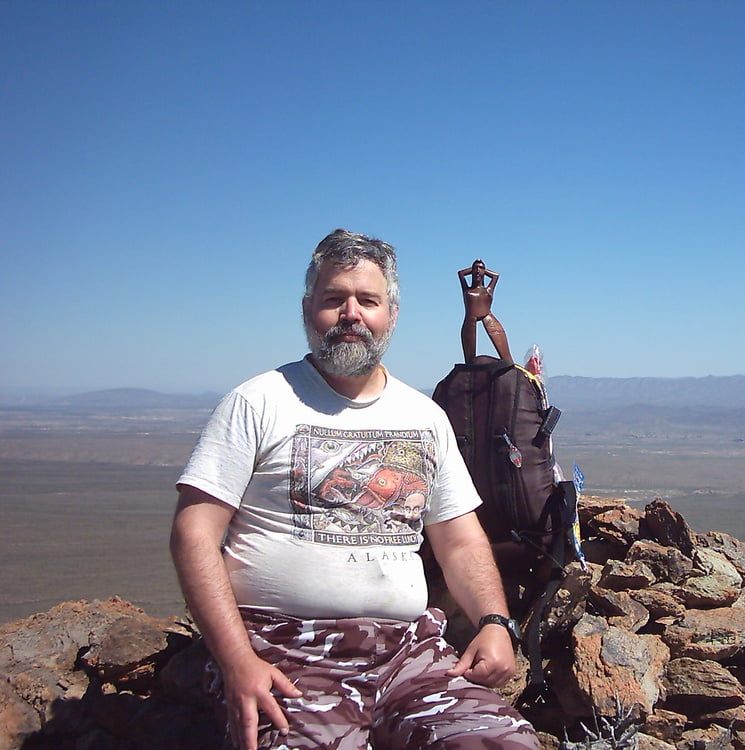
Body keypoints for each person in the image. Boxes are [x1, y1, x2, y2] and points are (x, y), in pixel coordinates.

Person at [170, 229, 539, 750]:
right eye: (333, 300)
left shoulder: (424, 417)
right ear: (308, 310)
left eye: (367, 300)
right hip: (285, 657)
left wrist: (495, 622)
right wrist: (236, 661)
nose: (351, 314)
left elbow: (459, 540)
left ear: (390, 312)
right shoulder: (257, 403)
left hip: (409, 657)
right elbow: (194, 534)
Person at [458, 259, 513, 363]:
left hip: (488, 317)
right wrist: (475, 270)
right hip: (470, 321)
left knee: (507, 359)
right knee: (469, 362)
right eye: (475, 268)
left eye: (481, 268)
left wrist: (482, 270)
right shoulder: (467, 289)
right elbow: (461, 273)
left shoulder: (488, 290)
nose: (478, 270)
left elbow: (496, 276)